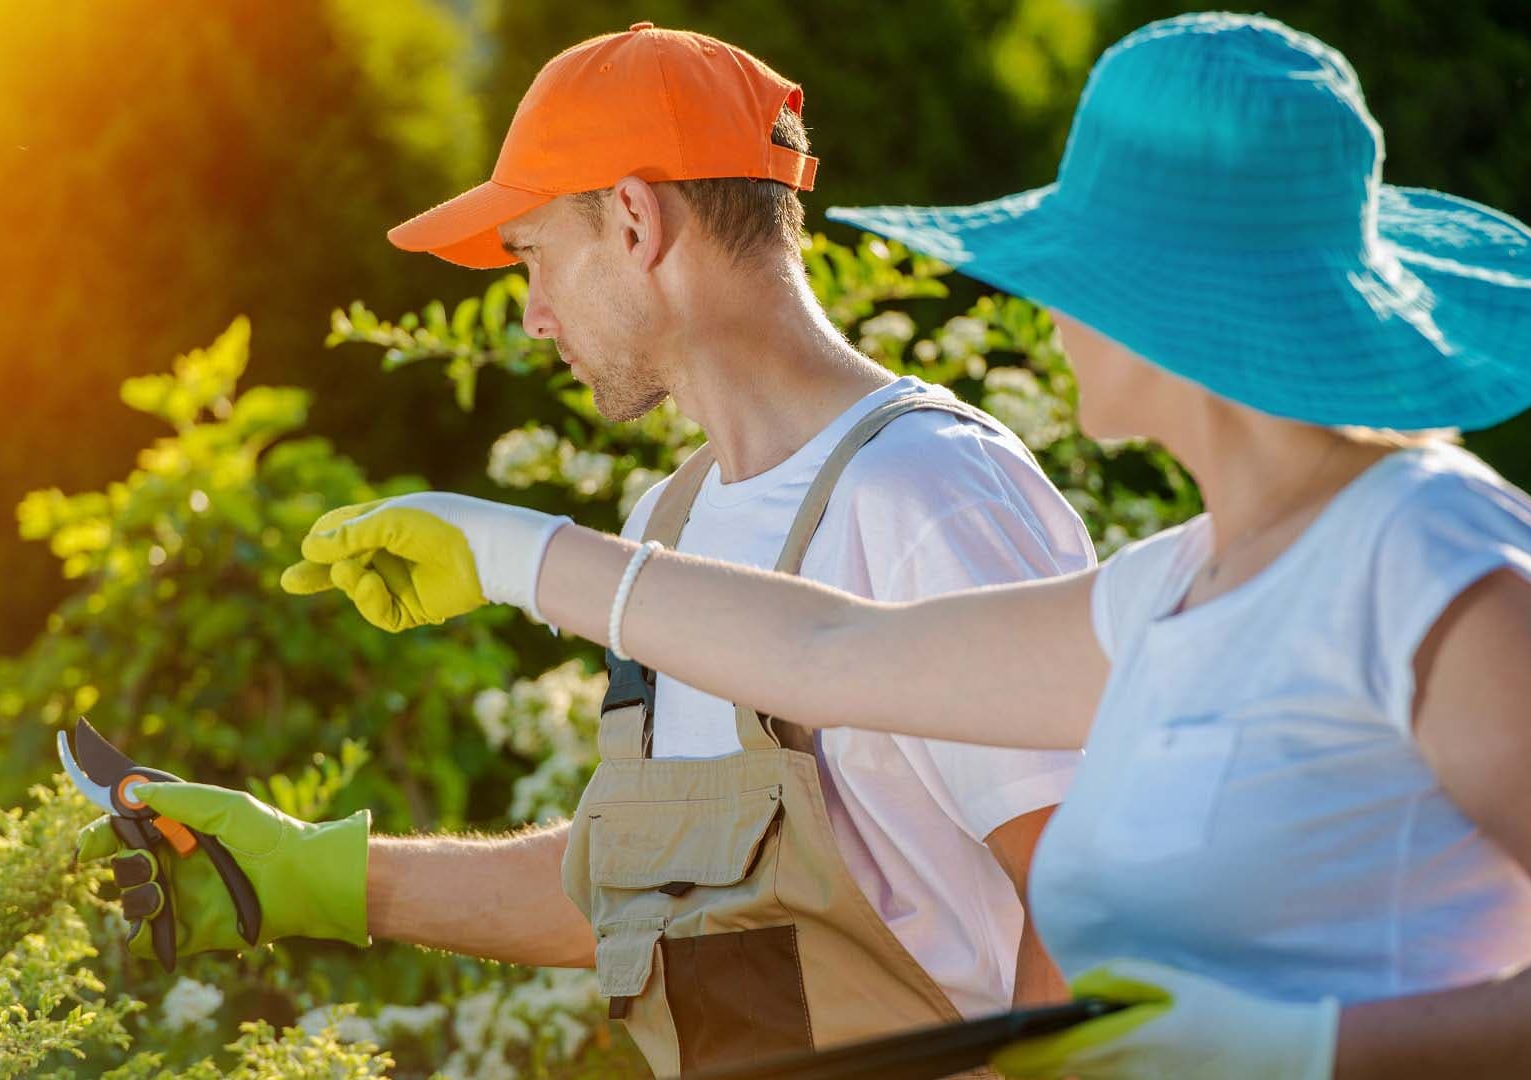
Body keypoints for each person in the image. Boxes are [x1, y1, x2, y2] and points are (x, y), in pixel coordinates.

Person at [272, 12, 1531, 1079]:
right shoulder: (1175, 588)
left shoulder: (1438, 556)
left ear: (1175, 305)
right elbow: (831, 652)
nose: (1043, 313)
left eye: (1071, 271)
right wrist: (506, 546)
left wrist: (1288, 1053)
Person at [77, 21, 1091, 1077]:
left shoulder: (925, 493)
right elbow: (647, 891)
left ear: (638, 220)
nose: (530, 317)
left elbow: (1091, 893)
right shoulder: (669, 521)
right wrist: (305, 872)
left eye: (534, 259)